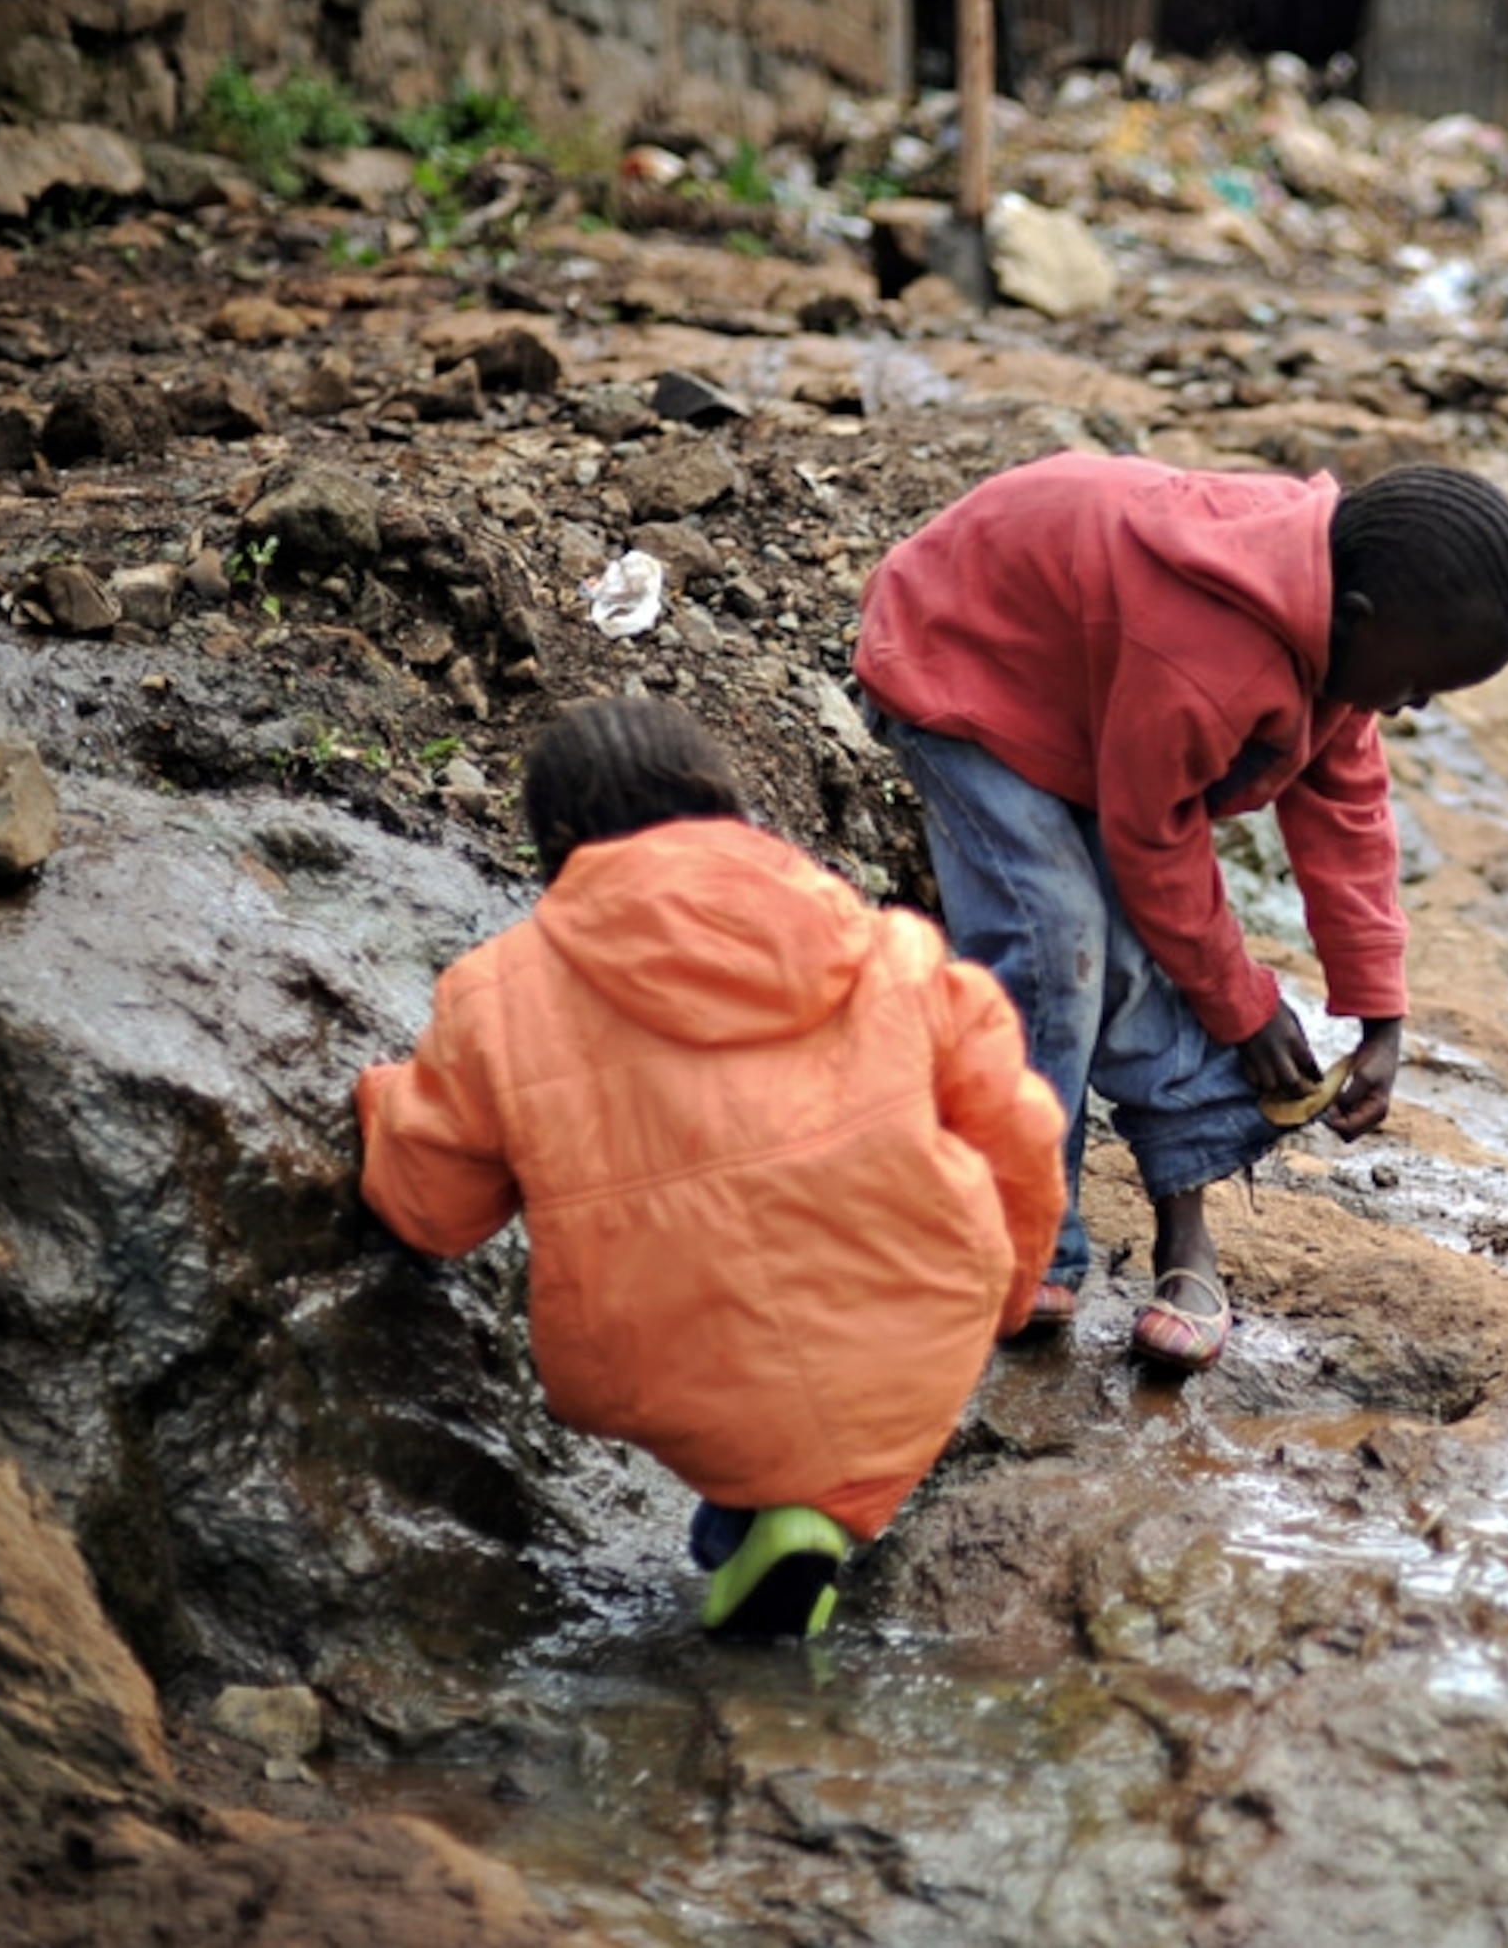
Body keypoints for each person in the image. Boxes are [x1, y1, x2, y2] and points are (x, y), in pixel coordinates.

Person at [354, 695, 1068, 1643]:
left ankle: (757, 1519)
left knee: (732, 1383)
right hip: (917, 1318)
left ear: (556, 843)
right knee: (818, 1379)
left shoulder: (498, 995)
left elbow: (434, 1208)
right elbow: (1020, 1128)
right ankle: (797, 1520)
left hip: (667, 1360)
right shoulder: (891, 945)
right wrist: (1007, 1293)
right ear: (726, 806)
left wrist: (382, 1097)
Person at [853, 453, 1508, 1372]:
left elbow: (1347, 809)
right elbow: (1154, 841)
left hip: (1092, 703)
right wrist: (1242, 1006)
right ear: (1360, 621)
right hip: (961, 663)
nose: (1409, 707)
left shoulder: (1335, 622)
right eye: (1416, 684)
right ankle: (1025, 1239)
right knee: (1058, 937)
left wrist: (1380, 1007)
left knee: (1142, 947)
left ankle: (1186, 1230)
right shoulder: (1210, 648)